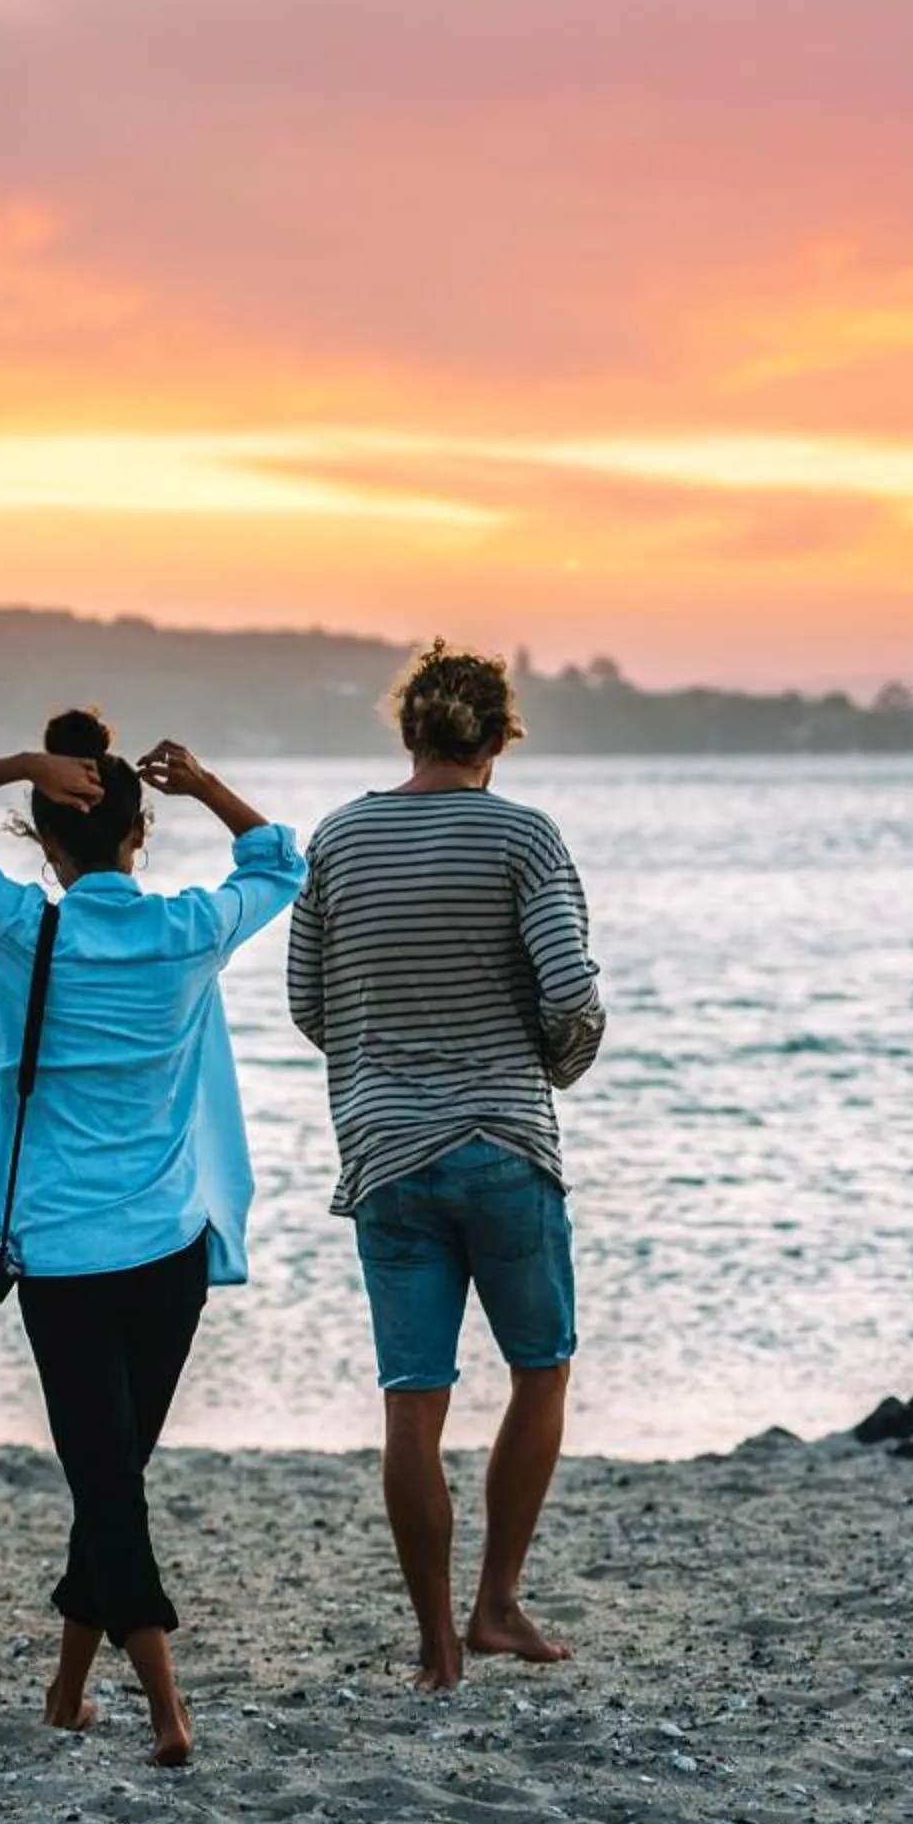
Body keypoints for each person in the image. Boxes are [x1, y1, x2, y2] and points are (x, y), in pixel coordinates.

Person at [0, 710, 305, 1767]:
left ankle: (168, 1710)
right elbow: (280, 860)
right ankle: (68, 1692)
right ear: (139, 838)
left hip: (62, 1258)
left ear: (41, 840)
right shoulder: (189, 933)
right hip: (170, 1252)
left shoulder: (23, 931)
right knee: (111, 1472)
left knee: (107, 1477)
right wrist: (206, 784)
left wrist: (21, 765)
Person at [288, 642, 606, 1692]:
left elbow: (308, 1007)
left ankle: (433, 1645)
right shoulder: (523, 836)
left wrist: (386, 1063)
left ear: (409, 728)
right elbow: (568, 990)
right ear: (499, 736)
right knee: (541, 1369)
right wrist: (551, 1064)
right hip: (506, 1144)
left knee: (411, 1402)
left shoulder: (338, 836)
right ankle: (497, 1605)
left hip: (384, 1153)